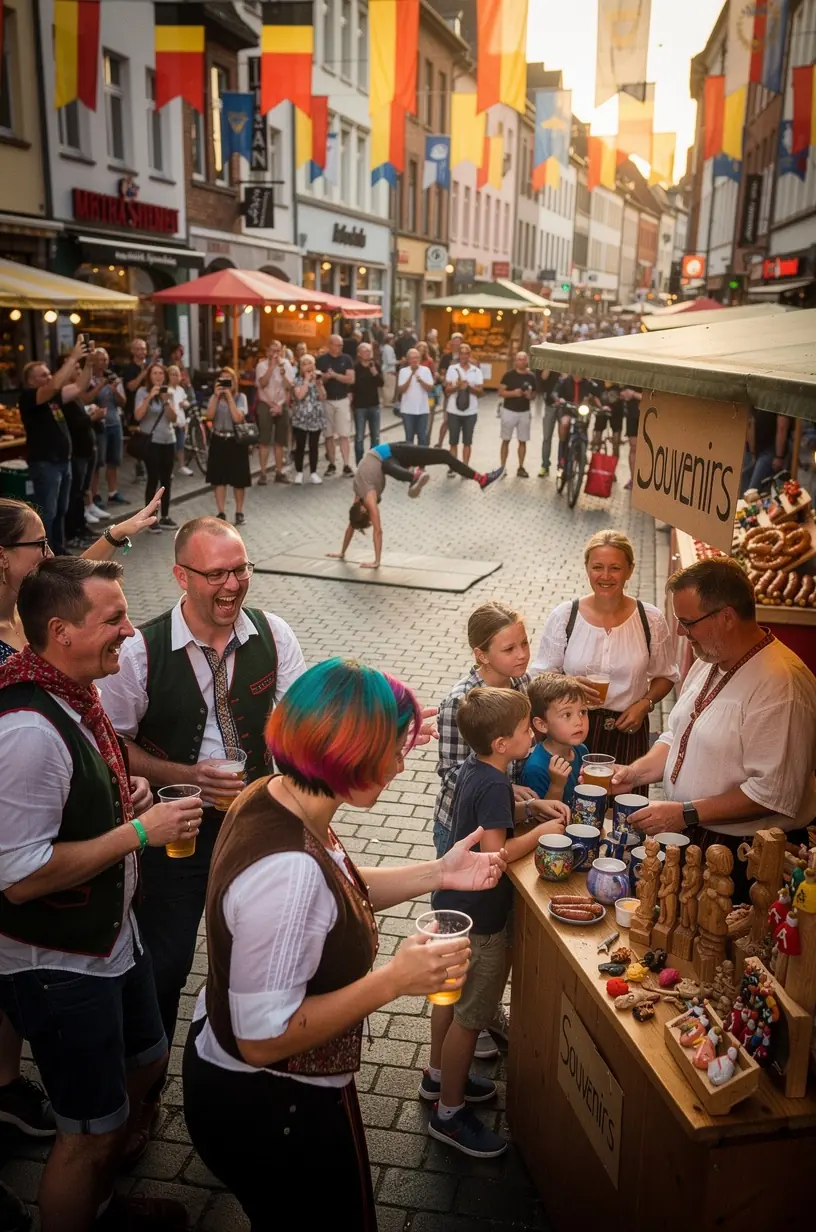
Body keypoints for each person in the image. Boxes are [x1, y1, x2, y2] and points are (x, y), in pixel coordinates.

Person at [182, 657, 506, 1227]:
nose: (401, 765)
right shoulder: (289, 871)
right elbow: (262, 1038)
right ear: (348, 757)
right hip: (276, 1105)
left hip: (251, 1088)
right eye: (392, 750)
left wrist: (439, 873)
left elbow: (337, 887)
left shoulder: (275, 792)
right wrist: (394, 980)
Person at [0, 556, 204, 1232]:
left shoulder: (73, 692)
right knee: (85, 1133)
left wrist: (129, 798)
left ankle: (103, 1204)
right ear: (61, 631)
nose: (129, 631)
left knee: (145, 1061)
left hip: (112, 937)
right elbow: (21, 876)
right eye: (113, 619)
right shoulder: (29, 730)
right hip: (59, 963)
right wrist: (141, 832)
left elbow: (78, 803)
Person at [98, 516, 307, 1141]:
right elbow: (114, 744)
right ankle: (143, 1097)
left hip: (257, 823)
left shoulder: (274, 632)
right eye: (216, 573)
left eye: (240, 569)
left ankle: (253, 1079)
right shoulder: (139, 649)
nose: (232, 584)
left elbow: (299, 723)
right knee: (163, 964)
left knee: (264, 955)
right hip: (177, 827)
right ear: (181, 575)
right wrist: (185, 773)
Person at [611, 558, 816, 902]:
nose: (680, 632)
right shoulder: (711, 659)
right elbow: (677, 734)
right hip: (696, 838)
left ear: (727, 617)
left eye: (687, 622)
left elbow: (772, 793)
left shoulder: (782, 687)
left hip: (743, 858)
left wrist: (684, 812)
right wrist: (636, 772)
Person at [426, 687, 566, 1159]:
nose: (533, 734)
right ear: (504, 743)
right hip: (482, 921)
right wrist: (544, 833)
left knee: (447, 997)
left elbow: (491, 818)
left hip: (454, 908)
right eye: (527, 729)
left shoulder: (479, 769)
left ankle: (439, 1075)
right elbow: (495, 856)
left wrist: (529, 809)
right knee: (471, 1017)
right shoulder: (493, 783)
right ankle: (450, 1113)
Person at [433, 602, 570, 1061]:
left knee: (498, 935)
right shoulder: (461, 700)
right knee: (467, 946)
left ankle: (482, 1014)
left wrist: (528, 800)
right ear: (481, 654)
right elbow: (452, 771)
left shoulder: (522, 687)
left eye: (525, 643)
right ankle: (459, 1039)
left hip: (502, 816)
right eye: (509, 648)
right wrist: (514, 802)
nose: (522, 655)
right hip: (464, 830)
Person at [533, 530, 679, 772]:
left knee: (624, 805)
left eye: (615, 568)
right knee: (573, 805)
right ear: (587, 568)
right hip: (570, 731)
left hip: (627, 730)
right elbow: (540, 678)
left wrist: (646, 703)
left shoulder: (649, 618)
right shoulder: (564, 616)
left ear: (630, 570)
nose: (605, 576)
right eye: (597, 567)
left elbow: (666, 675)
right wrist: (568, 683)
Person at [0, 493, 162, 665]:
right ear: (2, 556)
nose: (50, 554)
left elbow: (74, 578)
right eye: (39, 544)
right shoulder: (33, 605)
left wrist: (117, 533)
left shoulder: (30, 604)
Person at [330, 444, 503, 571]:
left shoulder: (368, 498)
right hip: (391, 459)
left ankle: (414, 477)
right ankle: (480, 479)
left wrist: (376, 561)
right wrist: (342, 552)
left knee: (394, 464)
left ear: (364, 510)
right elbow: (351, 525)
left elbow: (378, 531)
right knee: (441, 455)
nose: (372, 514)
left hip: (390, 452)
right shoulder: (357, 497)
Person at [19, 340, 91, 557]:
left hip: (62, 462)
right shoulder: (30, 397)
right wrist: (73, 358)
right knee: (47, 513)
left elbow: (79, 386)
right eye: (43, 375)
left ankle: (57, 550)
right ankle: (43, 555)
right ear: (31, 380)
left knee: (61, 510)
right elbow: (52, 386)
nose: (49, 377)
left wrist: (89, 363)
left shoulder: (54, 398)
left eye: (49, 373)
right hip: (45, 464)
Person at [520, 673, 590, 806]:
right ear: (542, 725)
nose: (578, 721)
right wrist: (556, 785)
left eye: (583, 712)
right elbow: (540, 819)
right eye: (567, 714)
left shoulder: (581, 750)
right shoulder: (536, 768)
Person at [134, 361, 178, 532]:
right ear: (149, 376)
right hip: (152, 442)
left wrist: (166, 402)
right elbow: (138, 416)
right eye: (155, 373)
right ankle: (151, 518)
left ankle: (165, 516)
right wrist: (149, 397)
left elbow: (174, 419)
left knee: (166, 480)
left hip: (169, 440)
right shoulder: (142, 392)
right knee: (153, 479)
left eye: (161, 373)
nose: (158, 377)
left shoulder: (169, 392)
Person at [204, 367, 251, 526]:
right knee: (219, 479)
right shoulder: (214, 397)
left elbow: (238, 418)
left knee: (239, 480)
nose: (224, 384)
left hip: (235, 440)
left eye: (228, 380)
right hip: (218, 439)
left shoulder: (240, 397)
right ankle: (221, 512)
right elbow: (209, 416)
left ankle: (239, 511)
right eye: (222, 380)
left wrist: (229, 398)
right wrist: (217, 397)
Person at [86, 349, 127, 510]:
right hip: (98, 425)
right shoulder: (88, 379)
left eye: (106, 359)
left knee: (114, 460)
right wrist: (101, 386)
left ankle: (113, 492)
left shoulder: (113, 378)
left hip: (114, 422)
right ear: (93, 361)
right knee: (97, 462)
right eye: (101, 360)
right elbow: (86, 400)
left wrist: (115, 389)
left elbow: (123, 402)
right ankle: (95, 494)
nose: (104, 363)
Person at [254, 340, 295, 486]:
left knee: (280, 441)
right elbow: (262, 384)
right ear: (267, 352)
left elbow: (289, 387)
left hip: (281, 404)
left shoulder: (287, 365)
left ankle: (279, 472)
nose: (275, 354)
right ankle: (263, 473)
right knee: (264, 440)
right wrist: (271, 367)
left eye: (277, 351)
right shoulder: (261, 366)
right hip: (265, 404)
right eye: (272, 350)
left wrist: (283, 374)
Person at [316, 335, 355, 476]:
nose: (340, 347)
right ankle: (332, 464)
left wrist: (335, 376)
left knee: (344, 434)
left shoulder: (347, 359)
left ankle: (346, 464)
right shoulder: (321, 360)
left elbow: (351, 378)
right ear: (330, 345)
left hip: (342, 400)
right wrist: (326, 377)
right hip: (327, 401)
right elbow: (317, 381)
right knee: (328, 435)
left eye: (341, 345)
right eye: (338, 345)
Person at [444, 343, 484, 471]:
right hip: (453, 410)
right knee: (453, 441)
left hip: (471, 411)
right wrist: (457, 386)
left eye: (466, 353)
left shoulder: (476, 371)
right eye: (462, 353)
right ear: (459, 355)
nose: (464, 356)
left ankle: (465, 468)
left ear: (469, 355)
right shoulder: (452, 369)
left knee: (467, 441)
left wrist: (469, 387)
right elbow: (447, 390)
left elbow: (480, 392)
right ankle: (453, 466)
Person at [498, 352, 537, 478]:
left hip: (524, 412)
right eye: (519, 359)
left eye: (523, 359)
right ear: (516, 361)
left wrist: (529, 396)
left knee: (523, 440)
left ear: (527, 361)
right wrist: (514, 393)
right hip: (509, 410)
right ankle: (502, 467)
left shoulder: (531, 376)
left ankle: (521, 466)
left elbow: (534, 395)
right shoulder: (508, 375)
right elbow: (501, 392)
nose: (521, 362)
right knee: (506, 440)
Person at [291, 354, 327, 485]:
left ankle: (313, 473)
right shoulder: (297, 380)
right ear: (301, 367)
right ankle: (299, 473)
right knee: (300, 446)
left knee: (314, 446)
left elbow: (323, 397)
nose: (308, 366)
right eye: (305, 364)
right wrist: (306, 381)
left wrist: (318, 384)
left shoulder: (317, 379)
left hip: (315, 417)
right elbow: (300, 396)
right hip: (301, 417)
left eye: (310, 363)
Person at [741, 409, 792, 496]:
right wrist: (752, 452)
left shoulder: (780, 401)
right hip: (756, 449)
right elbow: (750, 422)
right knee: (744, 488)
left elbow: (782, 427)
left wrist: (779, 456)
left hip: (770, 450)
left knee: (752, 491)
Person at [352, 342, 384, 465]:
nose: (368, 353)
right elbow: (352, 386)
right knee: (359, 437)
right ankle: (359, 463)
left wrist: (374, 372)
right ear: (359, 354)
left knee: (375, 436)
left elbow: (381, 383)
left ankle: (373, 462)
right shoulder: (355, 367)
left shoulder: (375, 365)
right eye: (365, 351)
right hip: (360, 406)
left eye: (370, 350)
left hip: (374, 405)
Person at [397, 348, 434, 447]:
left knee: (422, 438)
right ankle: (410, 461)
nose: (414, 360)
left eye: (416, 358)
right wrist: (411, 375)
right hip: (408, 410)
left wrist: (421, 381)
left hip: (422, 410)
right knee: (409, 438)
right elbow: (401, 390)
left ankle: (421, 461)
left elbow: (430, 388)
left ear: (419, 359)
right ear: (408, 360)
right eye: (412, 358)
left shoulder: (425, 370)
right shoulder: (403, 371)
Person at [435, 332, 463, 447]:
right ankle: (440, 442)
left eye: (458, 342)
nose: (456, 345)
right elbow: (441, 373)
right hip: (449, 393)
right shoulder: (446, 357)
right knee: (446, 419)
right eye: (454, 342)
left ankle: (454, 444)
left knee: (458, 421)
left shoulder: (465, 358)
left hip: (462, 395)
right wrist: (444, 379)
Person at [167, 364, 193, 477]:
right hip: (171, 422)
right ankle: (169, 469)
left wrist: (185, 404)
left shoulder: (181, 389)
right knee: (170, 448)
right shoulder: (167, 389)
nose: (174, 377)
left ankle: (182, 466)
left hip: (180, 421)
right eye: (172, 374)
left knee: (180, 445)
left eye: (176, 374)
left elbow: (186, 401)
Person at [380, 332, 398, 409]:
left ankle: (386, 401)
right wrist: (399, 361)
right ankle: (387, 402)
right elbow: (390, 361)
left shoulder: (384, 348)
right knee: (389, 387)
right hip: (389, 370)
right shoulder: (389, 348)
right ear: (390, 340)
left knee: (387, 386)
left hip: (386, 370)